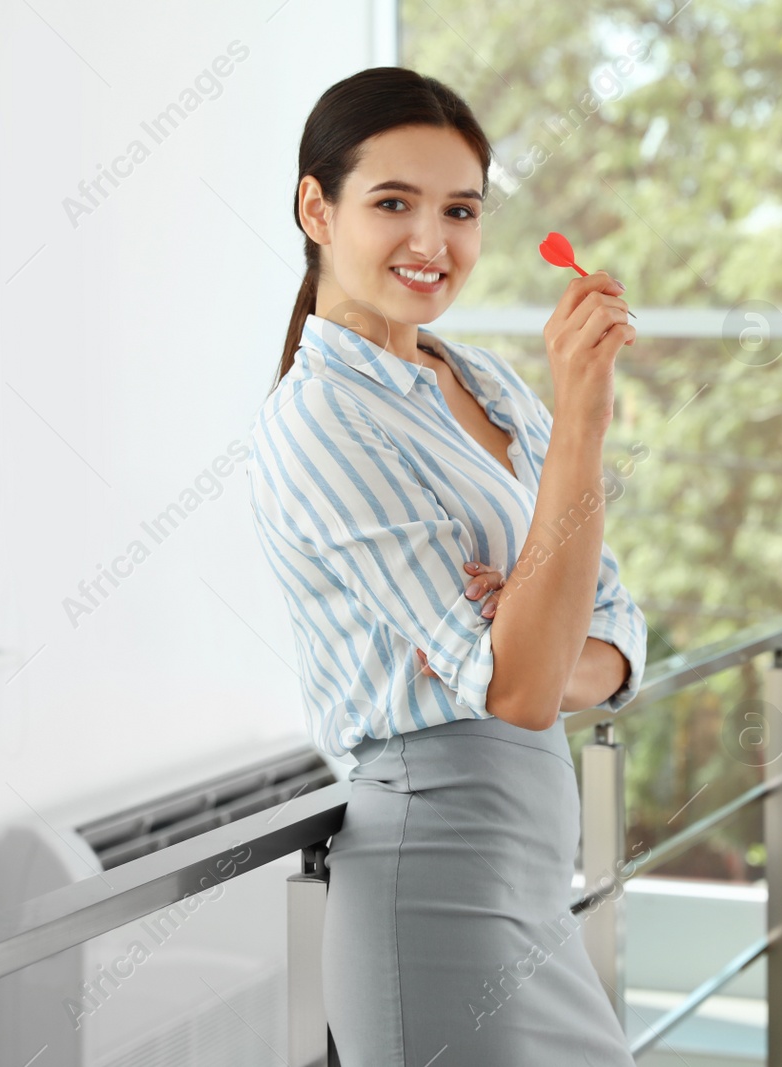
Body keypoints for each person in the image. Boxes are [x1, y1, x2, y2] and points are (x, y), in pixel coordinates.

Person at [245, 66, 648, 1065]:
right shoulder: (319, 421)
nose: (432, 242)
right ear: (315, 208)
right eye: (393, 203)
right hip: (433, 887)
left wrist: (553, 644)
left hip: (530, 876)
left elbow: (620, 621)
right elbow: (517, 687)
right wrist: (584, 422)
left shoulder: (486, 383)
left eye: (459, 210)